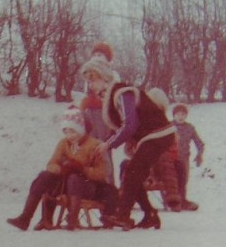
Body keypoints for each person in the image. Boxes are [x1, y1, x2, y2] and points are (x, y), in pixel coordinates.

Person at [81, 57, 176, 230]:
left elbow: (130, 125)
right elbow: (124, 126)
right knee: (131, 172)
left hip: (158, 134)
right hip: (151, 137)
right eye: (88, 81)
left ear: (105, 77)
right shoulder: (111, 98)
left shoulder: (121, 92)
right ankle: (149, 214)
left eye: (93, 79)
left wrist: (108, 144)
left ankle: (123, 215)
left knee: (132, 171)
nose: (91, 85)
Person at [7, 106, 115, 231]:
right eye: (66, 131)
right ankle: (25, 218)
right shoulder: (64, 143)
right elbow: (51, 164)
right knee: (44, 176)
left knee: (75, 178)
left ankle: (72, 219)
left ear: (82, 129)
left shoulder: (94, 145)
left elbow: (103, 172)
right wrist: (61, 169)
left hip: (88, 187)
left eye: (73, 131)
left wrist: (82, 169)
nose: (70, 135)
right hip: (66, 185)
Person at [79, 42, 117, 184]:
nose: (97, 57)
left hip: (103, 111)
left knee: (103, 146)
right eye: (95, 54)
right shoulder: (89, 71)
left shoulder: (111, 73)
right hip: (90, 110)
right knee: (90, 146)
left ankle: (109, 184)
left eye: (100, 54)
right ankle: (93, 183)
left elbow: (114, 92)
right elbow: (86, 91)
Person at [171, 103, 205, 211]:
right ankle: (173, 202)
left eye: (183, 114)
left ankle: (182, 201)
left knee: (183, 180)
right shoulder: (169, 126)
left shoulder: (189, 128)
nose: (180, 117)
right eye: (178, 114)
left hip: (184, 158)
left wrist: (199, 154)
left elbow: (199, 143)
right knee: (172, 180)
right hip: (170, 158)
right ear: (174, 115)